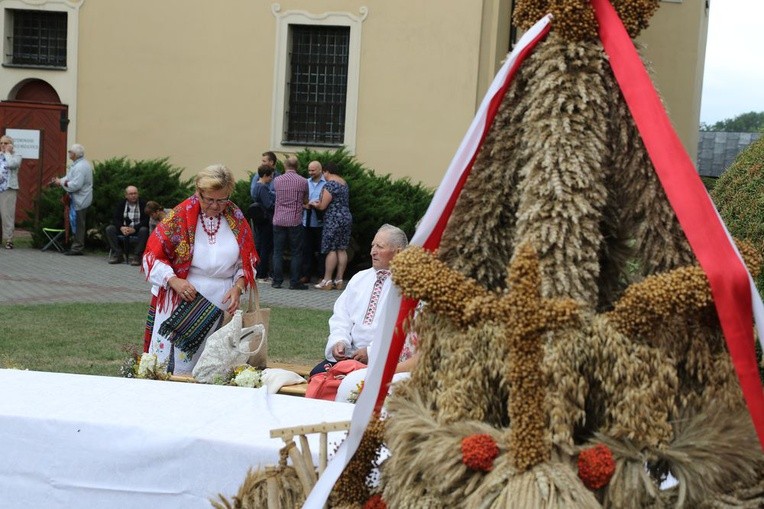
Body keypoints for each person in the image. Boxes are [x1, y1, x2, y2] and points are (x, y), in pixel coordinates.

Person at [143, 164, 258, 375]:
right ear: (199, 192)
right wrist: (173, 280)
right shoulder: (178, 218)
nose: (215, 205)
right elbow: (152, 257)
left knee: (214, 369)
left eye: (222, 200)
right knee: (175, 369)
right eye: (209, 199)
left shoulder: (236, 219)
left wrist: (238, 287)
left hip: (221, 306)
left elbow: (246, 262)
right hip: (183, 303)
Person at [309, 224, 408, 376]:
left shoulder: (406, 285)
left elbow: (401, 330)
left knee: (353, 383)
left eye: (380, 247)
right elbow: (342, 316)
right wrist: (339, 341)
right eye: (372, 246)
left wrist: (370, 352)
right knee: (318, 375)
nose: (372, 252)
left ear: (398, 252)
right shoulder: (360, 278)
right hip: (350, 355)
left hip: (385, 361)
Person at [309, 162, 352, 290]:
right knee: (342, 249)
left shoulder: (330, 184)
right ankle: (339, 279)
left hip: (333, 218)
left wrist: (314, 204)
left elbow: (322, 206)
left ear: (326, 171)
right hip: (346, 217)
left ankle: (327, 280)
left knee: (332, 249)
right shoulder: (344, 183)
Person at [272, 156, 308, 290]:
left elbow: (275, 195)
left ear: (285, 166)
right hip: (294, 220)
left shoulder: (277, 180)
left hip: (279, 219)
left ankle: (277, 281)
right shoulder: (303, 181)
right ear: (297, 166)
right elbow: (305, 199)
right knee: (296, 252)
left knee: (277, 251)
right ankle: (294, 282)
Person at [52, 143, 93, 256]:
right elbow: (69, 177)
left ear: (75, 154)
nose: (69, 153)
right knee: (75, 222)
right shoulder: (77, 164)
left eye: (70, 152)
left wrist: (60, 182)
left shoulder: (80, 167)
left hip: (81, 199)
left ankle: (77, 248)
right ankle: (74, 245)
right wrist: (60, 180)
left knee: (79, 224)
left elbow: (76, 185)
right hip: (77, 199)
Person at [105, 185, 150, 265]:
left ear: (138, 194)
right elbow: (115, 218)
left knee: (144, 230)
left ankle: (137, 256)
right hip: (123, 229)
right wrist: (121, 227)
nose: (133, 196)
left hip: (137, 229)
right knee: (110, 229)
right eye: (131, 194)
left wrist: (135, 228)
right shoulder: (121, 204)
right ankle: (118, 254)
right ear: (126, 195)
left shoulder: (143, 204)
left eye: (135, 193)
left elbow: (147, 220)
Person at [301, 160, 326, 283]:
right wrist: (305, 205)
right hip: (307, 220)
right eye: (309, 170)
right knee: (307, 250)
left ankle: (321, 275)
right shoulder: (305, 183)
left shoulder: (326, 183)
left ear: (320, 170)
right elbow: (300, 198)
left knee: (322, 250)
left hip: (320, 221)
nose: (310, 172)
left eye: (313, 170)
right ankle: (306, 274)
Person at [250, 164, 275, 282]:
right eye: (270, 176)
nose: (271, 179)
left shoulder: (256, 186)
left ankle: (260, 271)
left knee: (261, 246)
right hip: (266, 220)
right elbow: (268, 204)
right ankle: (262, 273)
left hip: (259, 220)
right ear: (265, 175)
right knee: (266, 247)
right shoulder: (263, 187)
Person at [0, 135, 23, 249]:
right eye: (1, 143)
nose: (3, 145)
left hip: (8, 188)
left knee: (7, 214)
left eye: (5, 143)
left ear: (11, 145)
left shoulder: (16, 155)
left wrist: (7, 153)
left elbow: (12, 164)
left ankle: (9, 239)